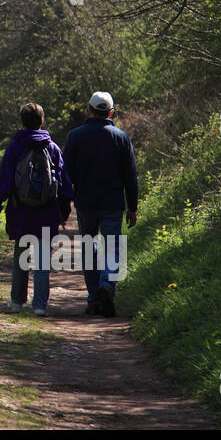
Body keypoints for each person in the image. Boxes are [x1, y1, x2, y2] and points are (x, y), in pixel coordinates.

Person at [0, 102, 74, 317]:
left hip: (20, 210)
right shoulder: (52, 148)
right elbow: (64, 186)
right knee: (44, 259)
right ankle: (39, 306)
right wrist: (64, 213)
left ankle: (17, 302)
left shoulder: (15, 147)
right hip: (47, 211)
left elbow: (4, 182)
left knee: (21, 254)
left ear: (22, 122)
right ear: (42, 121)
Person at [63, 91, 139, 318]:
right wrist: (132, 207)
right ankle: (108, 283)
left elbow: (67, 174)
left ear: (89, 110)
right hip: (113, 203)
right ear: (111, 112)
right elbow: (131, 176)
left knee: (89, 248)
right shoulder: (121, 138)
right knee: (114, 246)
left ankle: (94, 298)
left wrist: (64, 204)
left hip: (86, 203)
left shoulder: (75, 136)